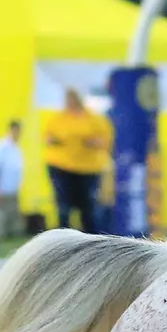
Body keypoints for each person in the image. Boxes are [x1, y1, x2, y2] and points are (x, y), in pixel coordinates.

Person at [45, 88, 112, 233]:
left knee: (88, 207)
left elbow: (105, 140)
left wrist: (91, 142)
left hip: (88, 168)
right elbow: (47, 137)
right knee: (63, 207)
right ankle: (62, 239)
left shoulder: (94, 119)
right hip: (61, 167)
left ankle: (90, 239)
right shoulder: (58, 119)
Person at [0, 120, 24, 251]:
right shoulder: (0, 147)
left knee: (9, 221)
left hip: (11, 190)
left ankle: (3, 244)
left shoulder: (17, 148)